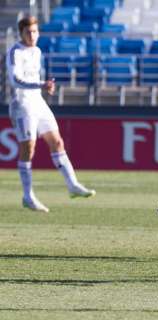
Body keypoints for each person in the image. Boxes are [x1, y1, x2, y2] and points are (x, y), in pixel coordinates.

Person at [7, 16, 95, 213]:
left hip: (37, 101)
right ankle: (28, 195)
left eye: (35, 31)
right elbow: (14, 80)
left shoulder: (37, 51)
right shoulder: (15, 52)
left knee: (57, 141)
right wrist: (41, 84)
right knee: (28, 149)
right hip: (22, 105)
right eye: (28, 32)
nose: (32, 35)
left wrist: (46, 87)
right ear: (21, 33)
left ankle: (73, 185)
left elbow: (35, 78)